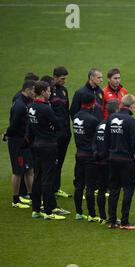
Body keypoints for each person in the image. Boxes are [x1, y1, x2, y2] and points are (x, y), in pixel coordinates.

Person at [26, 81, 65, 220]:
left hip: (36, 144)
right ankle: (49, 211)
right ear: (42, 92)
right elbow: (57, 125)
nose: (50, 93)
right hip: (48, 145)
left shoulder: (31, 107)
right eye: (48, 91)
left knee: (37, 177)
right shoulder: (45, 108)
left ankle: (36, 209)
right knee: (47, 178)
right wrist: (53, 130)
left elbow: (30, 129)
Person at [104, 94, 135, 229]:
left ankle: (112, 221)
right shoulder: (130, 120)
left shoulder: (111, 118)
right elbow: (134, 144)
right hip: (126, 160)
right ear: (131, 105)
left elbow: (107, 138)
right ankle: (124, 221)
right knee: (128, 189)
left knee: (114, 189)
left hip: (113, 158)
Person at [5, 80, 35, 209]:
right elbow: (14, 125)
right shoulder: (20, 105)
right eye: (34, 91)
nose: (35, 93)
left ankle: (32, 196)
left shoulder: (25, 103)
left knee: (29, 170)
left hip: (23, 142)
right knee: (18, 171)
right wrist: (7, 134)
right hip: (17, 143)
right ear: (27, 90)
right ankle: (15, 200)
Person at [72, 93, 101, 222]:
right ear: (93, 103)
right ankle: (92, 215)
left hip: (79, 155)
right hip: (89, 156)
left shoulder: (76, 116)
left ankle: (78, 212)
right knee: (90, 186)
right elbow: (97, 140)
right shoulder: (92, 120)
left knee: (79, 185)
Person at [93, 99, 119, 224]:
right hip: (109, 162)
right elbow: (112, 144)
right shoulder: (113, 125)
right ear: (117, 110)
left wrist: (96, 154)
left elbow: (94, 142)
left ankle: (102, 217)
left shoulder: (100, 124)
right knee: (113, 190)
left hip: (98, 162)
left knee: (101, 190)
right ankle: (111, 217)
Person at [50, 66, 72, 199]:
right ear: (55, 77)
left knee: (60, 162)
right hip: (55, 135)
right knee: (53, 162)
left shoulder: (64, 91)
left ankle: (56, 188)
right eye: (62, 79)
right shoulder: (49, 91)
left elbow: (66, 110)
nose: (64, 81)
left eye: (65, 79)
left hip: (65, 133)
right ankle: (49, 189)